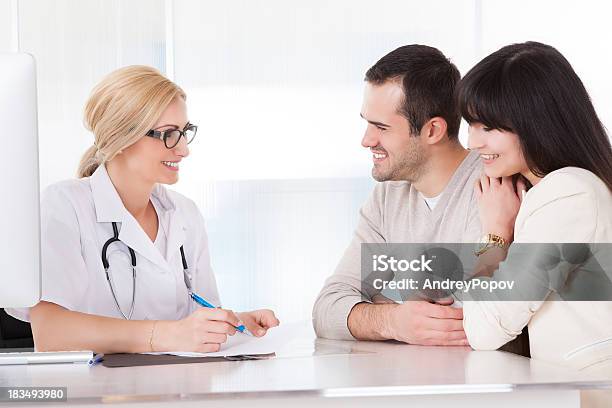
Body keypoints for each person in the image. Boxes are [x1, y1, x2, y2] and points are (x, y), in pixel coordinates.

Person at [7, 66, 279, 354]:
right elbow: (52, 334)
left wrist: (232, 325)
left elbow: (192, 322)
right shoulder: (64, 206)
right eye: (169, 134)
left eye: (185, 132)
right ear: (122, 136)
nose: (184, 149)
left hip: (179, 390)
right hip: (94, 393)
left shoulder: (185, 214)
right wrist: (166, 335)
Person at [458, 41, 612, 379]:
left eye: (488, 127)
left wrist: (494, 234)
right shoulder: (546, 193)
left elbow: (484, 330)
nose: (472, 142)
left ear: (535, 121)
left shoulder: (568, 194)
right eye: (470, 124)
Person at [312, 45, 483, 346]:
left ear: (432, 131)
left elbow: (472, 321)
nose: (366, 140)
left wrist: (376, 305)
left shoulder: (490, 186)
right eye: (366, 122)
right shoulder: (387, 197)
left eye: (381, 127)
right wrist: (394, 321)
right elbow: (327, 309)